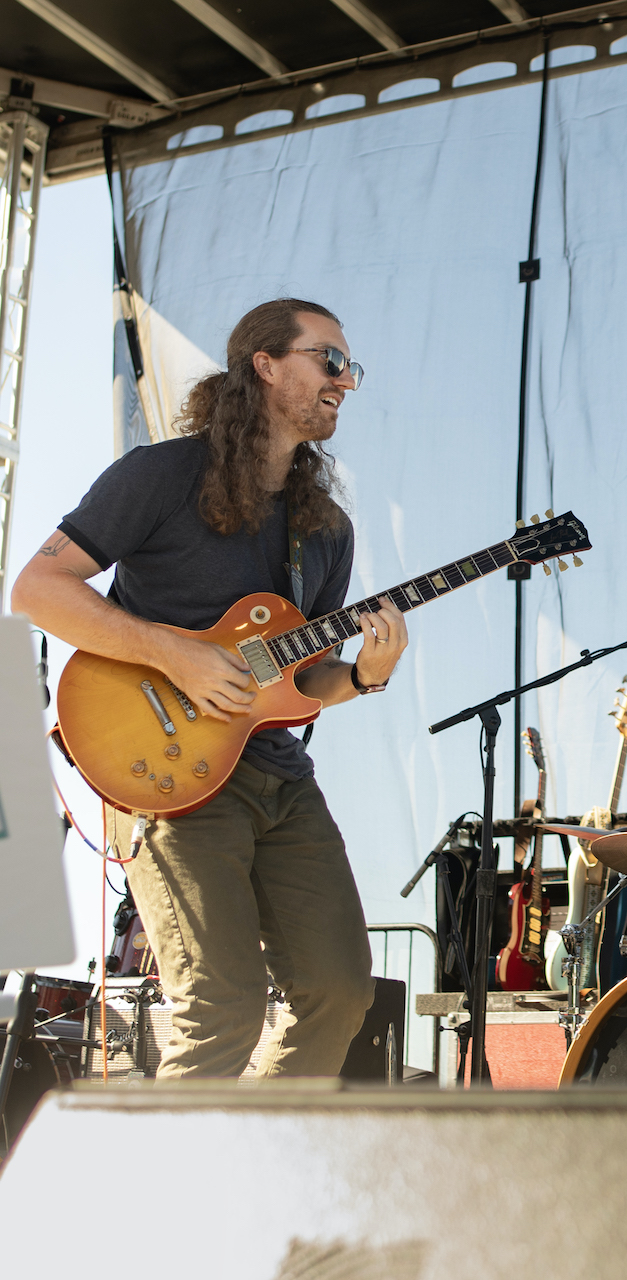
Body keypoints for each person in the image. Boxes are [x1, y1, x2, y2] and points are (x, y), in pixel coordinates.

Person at [11, 298, 406, 1078]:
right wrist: (172, 654)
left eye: (350, 368)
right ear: (265, 364)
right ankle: (173, 1196)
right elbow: (38, 588)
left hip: (278, 779)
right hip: (167, 774)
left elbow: (302, 679)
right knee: (220, 1002)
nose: (345, 381)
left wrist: (364, 675)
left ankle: (254, 1168)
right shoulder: (161, 475)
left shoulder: (326, 527)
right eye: (329, 360)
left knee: (337, 993)